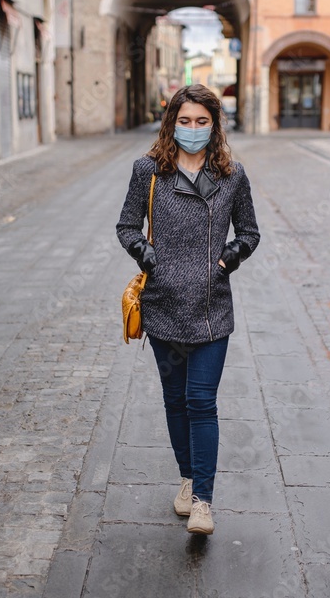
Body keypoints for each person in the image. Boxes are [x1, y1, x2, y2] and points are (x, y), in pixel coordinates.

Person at [116, 84, 260, 536]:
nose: (193, 129)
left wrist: (225, 260)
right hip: (163, 306)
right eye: (185, 121)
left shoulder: (232, 175)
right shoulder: (149, 171)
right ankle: (187, 477)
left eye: (202, 121)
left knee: (202, 401)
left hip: (211, 307)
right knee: (175, 400)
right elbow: (125, 226)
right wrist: (148, 255)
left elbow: (250, 232)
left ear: (215, 125)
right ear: (171, 122)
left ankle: (203, 501)